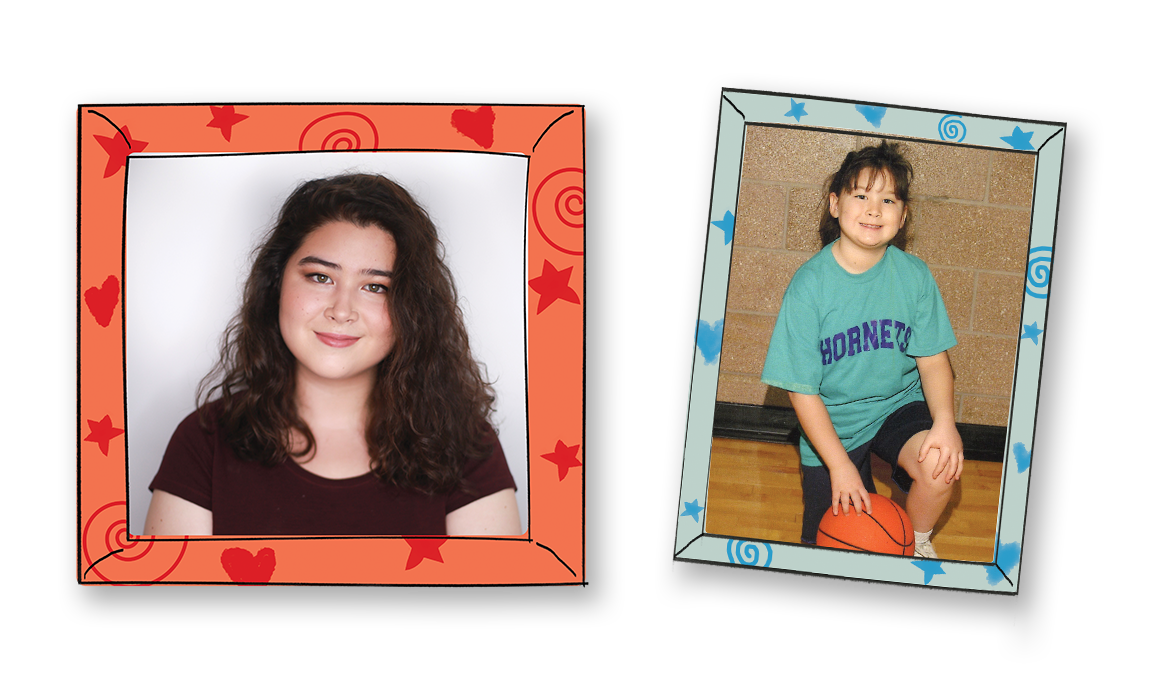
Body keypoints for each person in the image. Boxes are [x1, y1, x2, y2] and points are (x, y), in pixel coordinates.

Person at [144, 173, 521, 536]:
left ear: (413, 309)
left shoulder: (467, 447)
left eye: (375, 286)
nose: (342, 310)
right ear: (275, 284)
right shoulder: (203, 442)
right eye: (320, 277)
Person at [760, 141, 962, 559]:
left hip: (896, 406)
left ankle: (917, 543)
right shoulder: (809, 286)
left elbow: (933, 361)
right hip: (834, 422)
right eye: (861, 196)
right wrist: (839, 466)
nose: (874, 209)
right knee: (833, 546)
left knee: (940, 467)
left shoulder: (914, 276)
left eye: (888, 199)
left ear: (903, 216)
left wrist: (945, 422)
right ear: (835, 205)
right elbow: (802, 391)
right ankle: (852, 476)